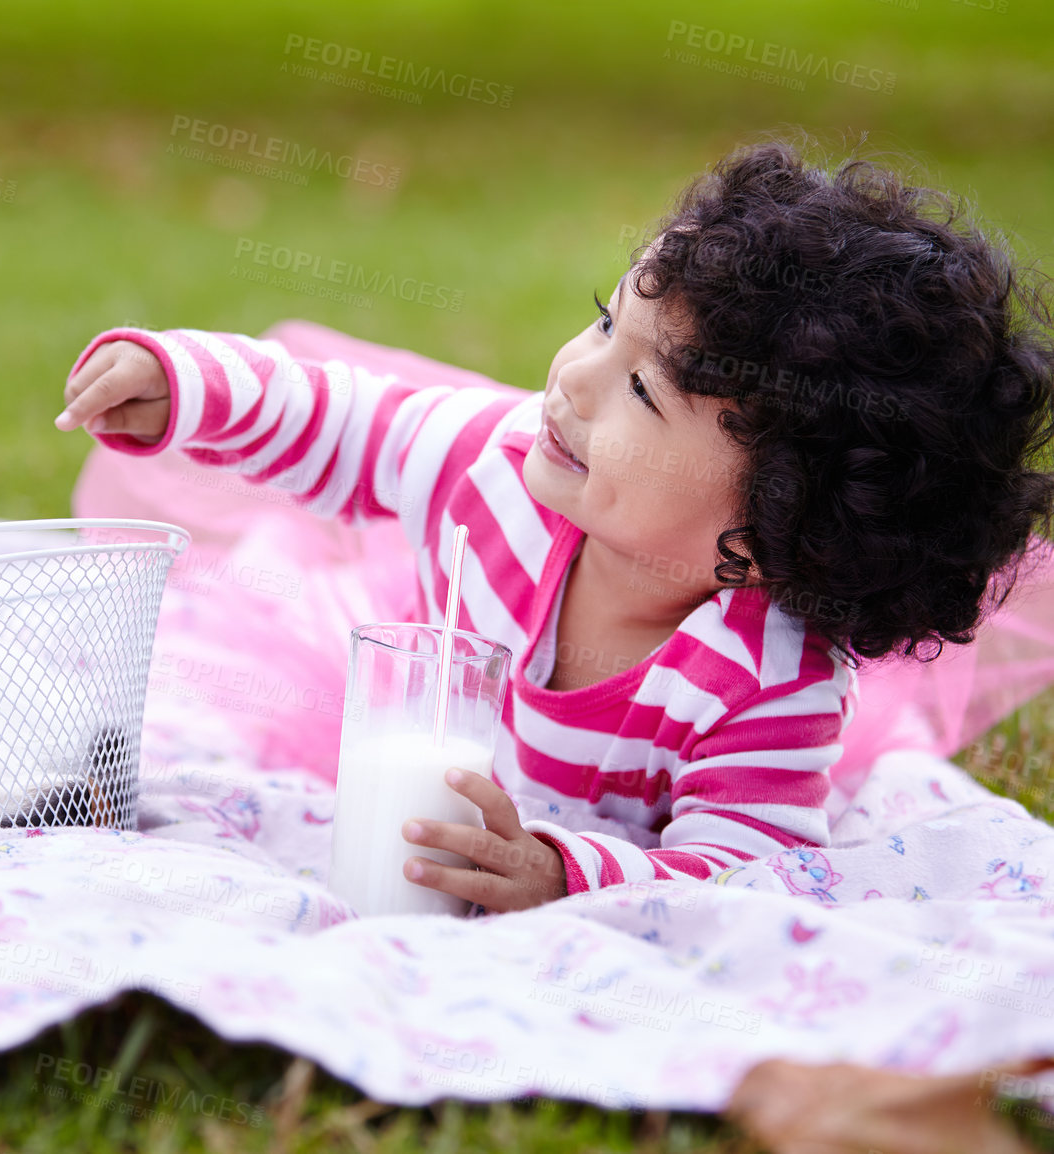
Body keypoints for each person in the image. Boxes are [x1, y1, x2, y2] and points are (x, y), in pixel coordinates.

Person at [53, 140, 1054, 913]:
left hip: (589, 810)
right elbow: (342, 418)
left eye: (641, 393)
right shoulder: (491, 466)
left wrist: (557, 869)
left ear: (758, 538)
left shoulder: (769, 677)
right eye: (605, 320)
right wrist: (186, 385)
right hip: (441, 698)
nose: (572, 377)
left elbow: (737, 867)